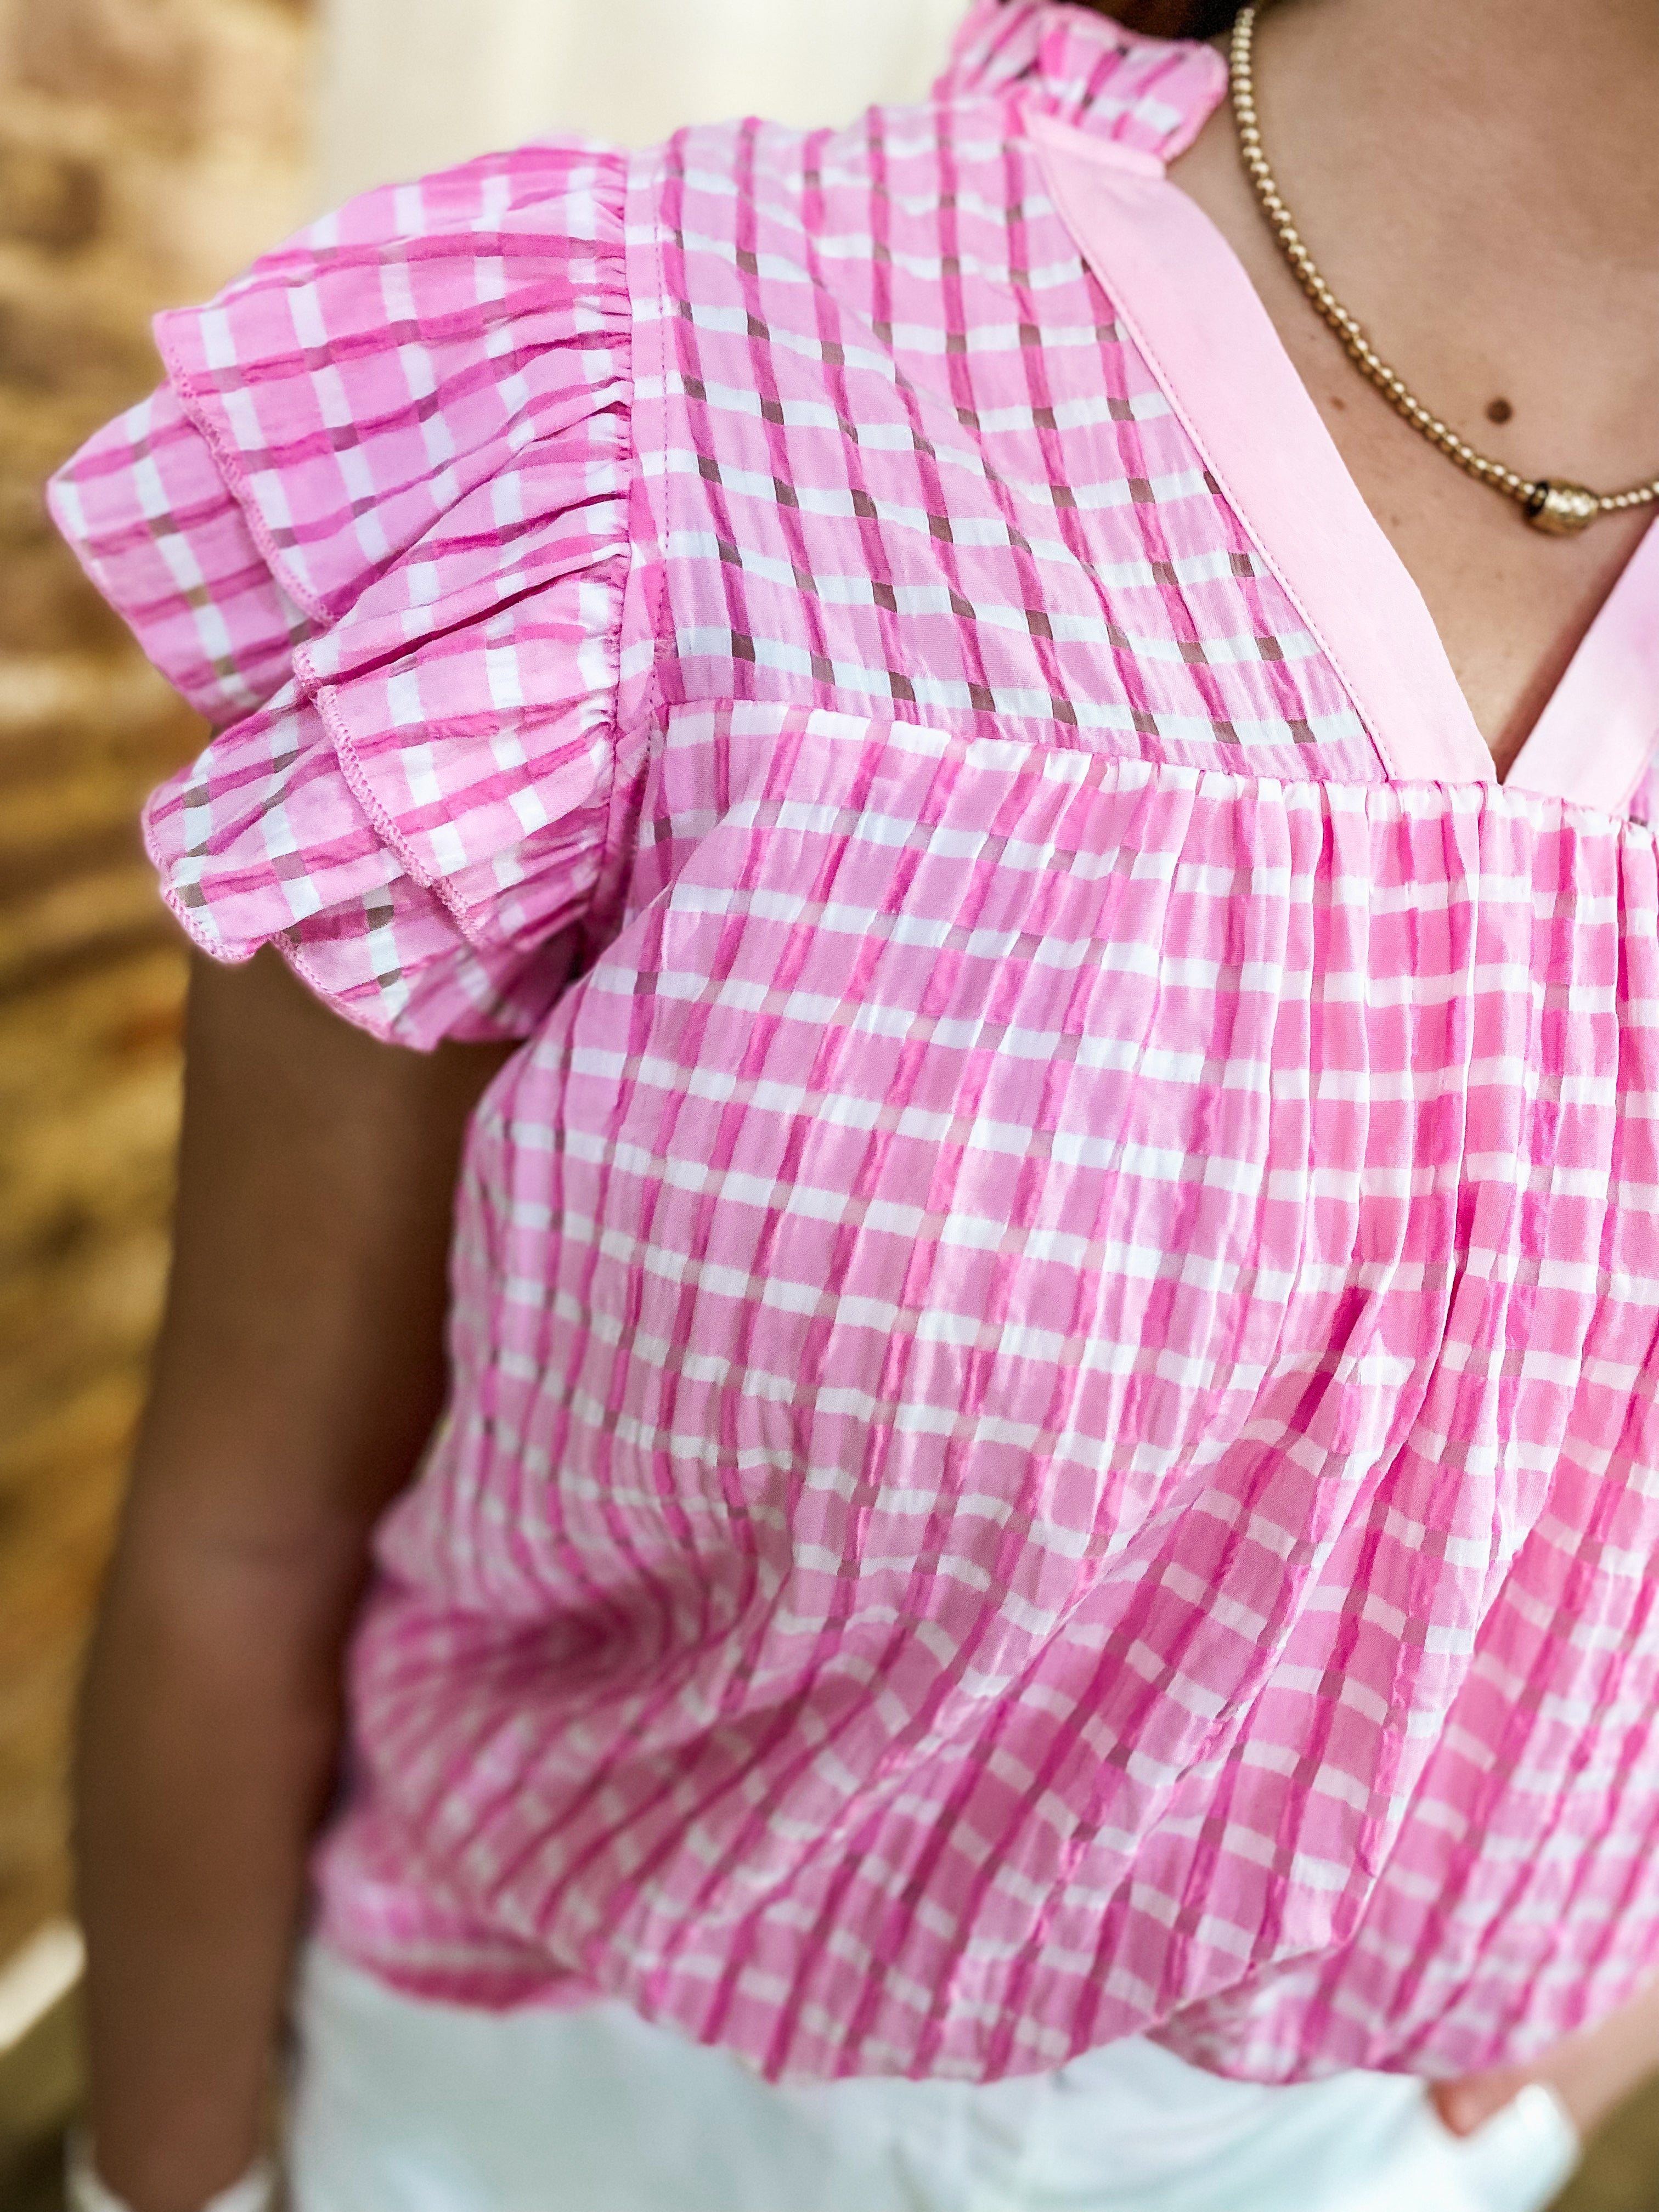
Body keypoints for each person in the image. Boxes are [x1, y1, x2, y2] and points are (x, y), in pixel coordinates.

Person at [46, 0, 1659, 2204]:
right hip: (545, 2125)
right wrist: (176, 2178)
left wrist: (1574, 2048)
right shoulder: (655, 403)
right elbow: (249, 1526)